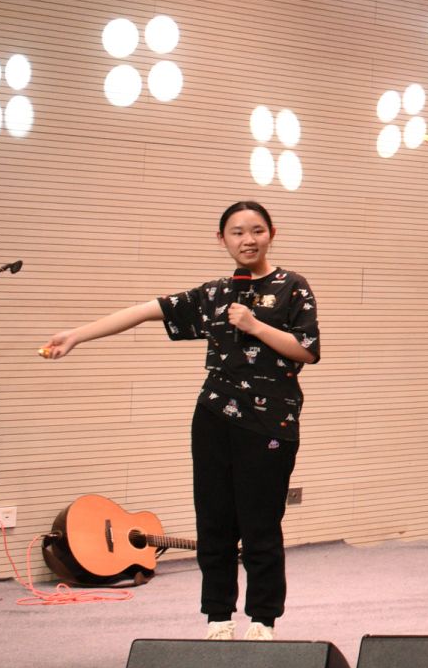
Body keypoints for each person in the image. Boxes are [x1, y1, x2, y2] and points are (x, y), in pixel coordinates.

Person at [41, 201, 319, 640]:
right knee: (214, 522)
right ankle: (218, 616)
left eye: (257, 230)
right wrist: (76, 334)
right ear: (222, 239)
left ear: (272, 233)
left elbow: (306, 350)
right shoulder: (214, 293)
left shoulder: (293, 287)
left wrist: (255, 325)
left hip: (270, 423)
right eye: (237, 232)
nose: (248, 240)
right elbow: (144, 310)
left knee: (260, 524)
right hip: (213, 417)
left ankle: (263, 619)